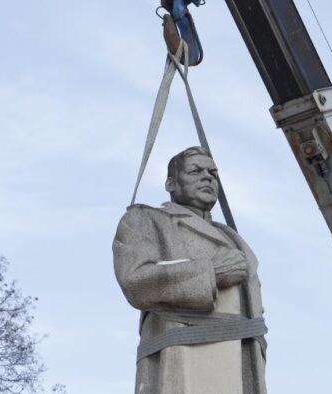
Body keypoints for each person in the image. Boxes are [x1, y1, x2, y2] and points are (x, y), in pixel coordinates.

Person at [113, 146, 267, 394]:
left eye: (213, 173)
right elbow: (135, 281)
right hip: (185, 356)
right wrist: (210, 273)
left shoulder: (233, 237)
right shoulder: (146, 219)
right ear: (171, 183)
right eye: (196, 171)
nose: (207, 177)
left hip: (241, 365)